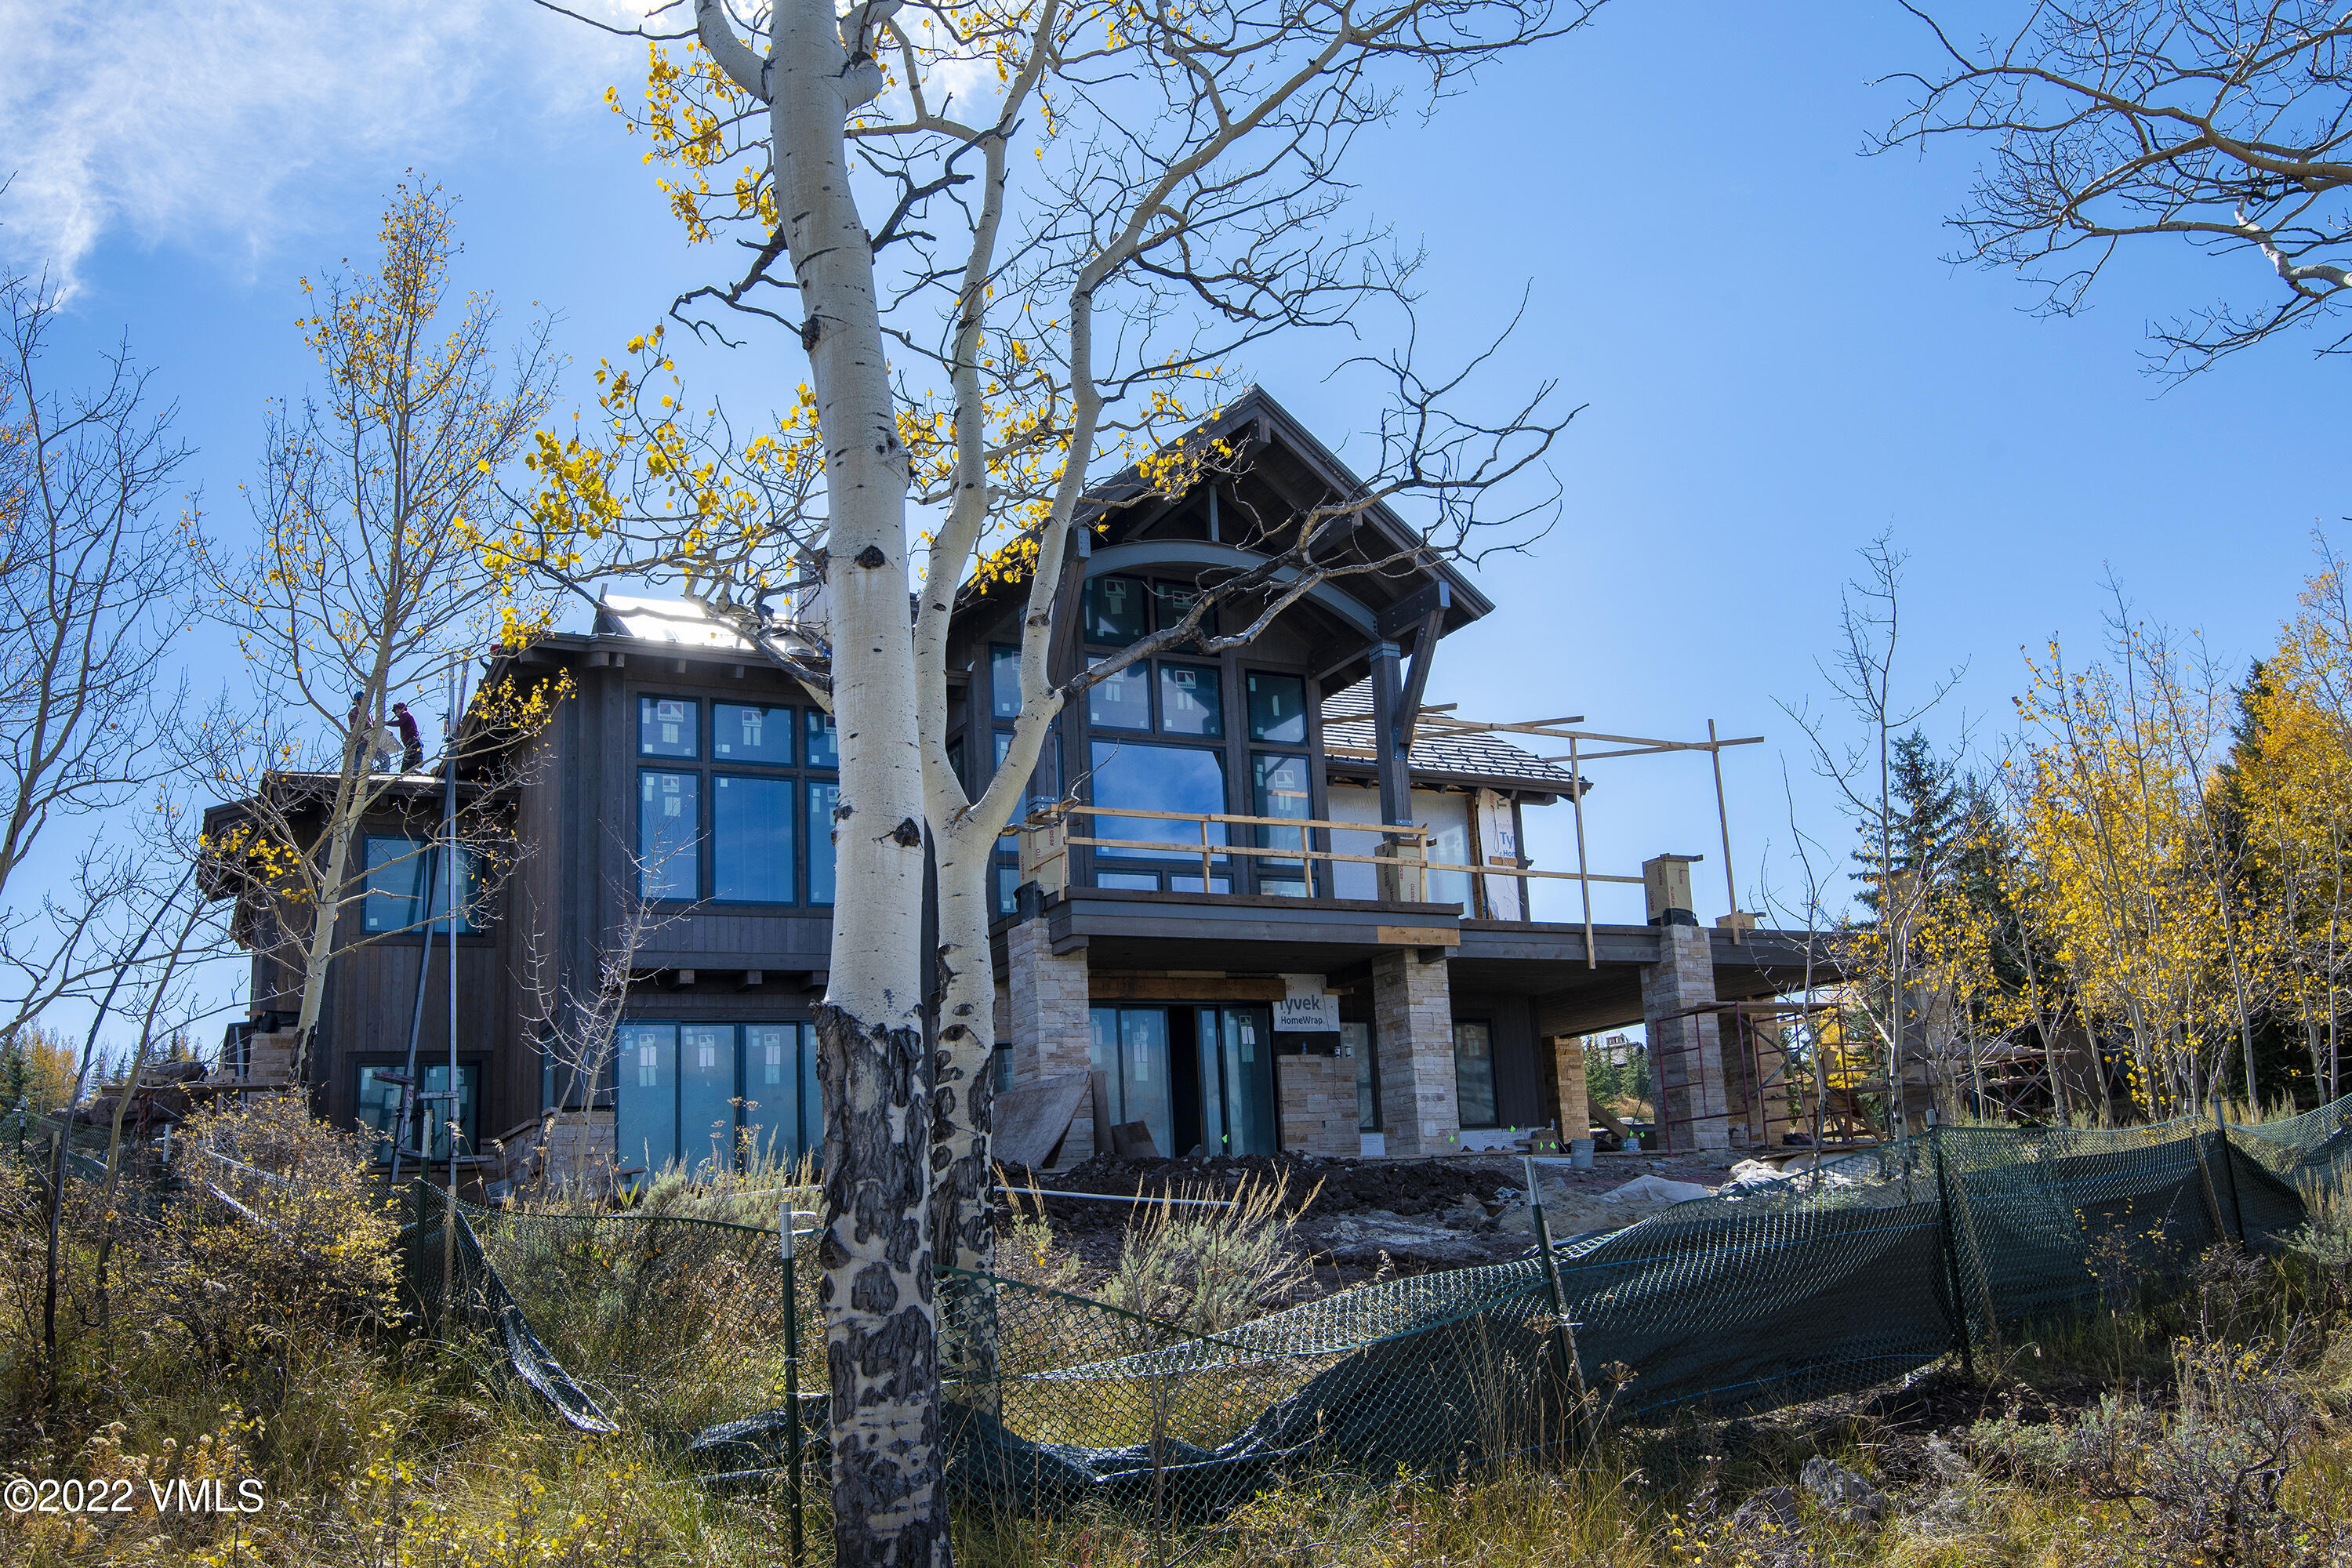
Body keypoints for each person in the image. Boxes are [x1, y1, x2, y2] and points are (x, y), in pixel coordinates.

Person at [392, 702, 425, 772]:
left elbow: (399, 723)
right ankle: (417, 772)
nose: (397, 711)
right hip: (411, 744)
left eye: (398, 709)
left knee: (407, 766)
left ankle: (418, 773)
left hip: (413, 742)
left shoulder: (405, 714)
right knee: (407, 767)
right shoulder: (405, 717)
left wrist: (386, 723)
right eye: (396, 711)